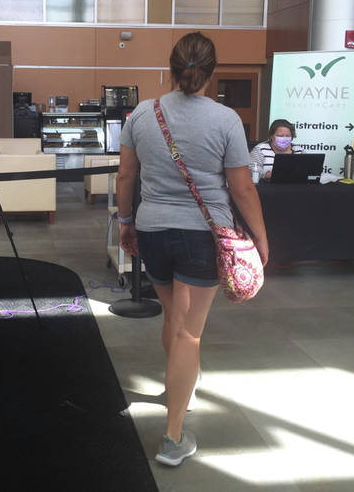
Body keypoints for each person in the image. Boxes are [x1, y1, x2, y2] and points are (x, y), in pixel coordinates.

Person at [116, 32, 268, 467]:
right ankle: (173, 437)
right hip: (203, 233)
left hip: (152, 231)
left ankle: (175, 387)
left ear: (172, 67)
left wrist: (126, 222)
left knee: (174, 317)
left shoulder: (143, 114)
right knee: (189, 332)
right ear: (211, 72)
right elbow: (241, 187)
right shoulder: (225, 120)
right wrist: (261, 239)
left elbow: (126, 177)